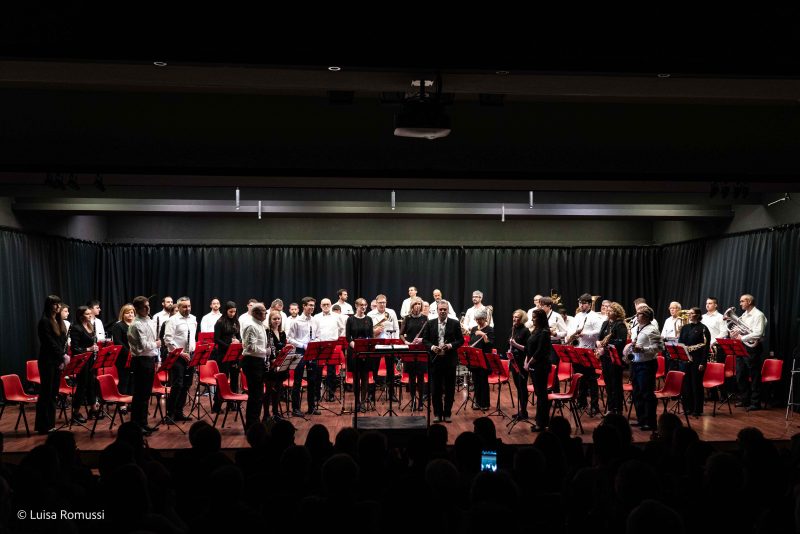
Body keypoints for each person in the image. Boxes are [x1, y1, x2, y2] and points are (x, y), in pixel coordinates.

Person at [421, 300, 464, 423]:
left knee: (450, 389)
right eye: (441, 309)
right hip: (435, 361)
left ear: (448, 310)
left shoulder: (455, 323)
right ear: (437, 310)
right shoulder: (430, 323)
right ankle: (437, 414)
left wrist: (450, 345)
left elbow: (460, 341)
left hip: (449, 360)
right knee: (436, 390)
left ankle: (447, 414)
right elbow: (425, 340)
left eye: (445, 309)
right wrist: (432, 347)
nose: (443, 311)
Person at [35, 295, 69, 434]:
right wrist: (62, 355)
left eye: (58, 304)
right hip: (47, 361)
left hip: (56, 361)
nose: (57, 306)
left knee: (53, 393)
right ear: (49, 305)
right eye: (54, 304)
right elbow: (49, 342)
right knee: (46, 393)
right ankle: (43, 426)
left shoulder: (58, 321)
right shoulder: (44, 321)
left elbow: (62, 342)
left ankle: (51, 424)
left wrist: (62, 357)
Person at [127, 296, 160, 435]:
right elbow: (143, 346)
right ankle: (136, 425)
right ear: (137, 309)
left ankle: (144, 423)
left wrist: (157, 358)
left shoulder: (149, 321)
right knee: (139, 395)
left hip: (149, 360)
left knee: (146, 395)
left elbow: (151, 344)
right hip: (140, 361)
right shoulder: (136, 324)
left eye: (148, 306)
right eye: (144, 307)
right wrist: (156, 344)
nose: (147, 309)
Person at [567, 293, 604, 415]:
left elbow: (599, 332)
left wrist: (585, 333)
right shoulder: (577, 315)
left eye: (583, 303)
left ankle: (594, 405)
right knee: (580, 377)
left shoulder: (595, 316)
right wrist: (573, 334)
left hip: (589, 349)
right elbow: (572, 328)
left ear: (589, 304)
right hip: (577, 348)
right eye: (580, 303)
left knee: (592, 379)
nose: (581, 305)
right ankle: (581, 402)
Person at [628, 306, 662, 431]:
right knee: (637, 393)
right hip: (636, 363)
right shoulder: (635, 328)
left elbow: (659, 347)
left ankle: (651, 422)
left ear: (647, 316)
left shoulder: (652, 330)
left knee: (647, 393)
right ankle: (641, 419)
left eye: (639, 314)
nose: (636, 316)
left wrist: (643, 349)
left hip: (647, 364)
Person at [732, 294, 767, 411]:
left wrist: (741, 337)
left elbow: (758, 333)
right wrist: (735, 333)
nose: (740, 303)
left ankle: (755, 402)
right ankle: (745, 399)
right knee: (741, 375)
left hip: (753, 348)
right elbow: (741, 329)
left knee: (754, 375)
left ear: (749, 301)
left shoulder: (759, 315)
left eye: (742, 301)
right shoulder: (744, 315)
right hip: (742, 346)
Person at [164, 296, 197, 422]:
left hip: (191, 355)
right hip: (177, 356)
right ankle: (169, 414)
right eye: (184, 306)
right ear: (178, 307)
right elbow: (168, 340)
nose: (187, 308)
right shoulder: (172, 320)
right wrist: (181, 353)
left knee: (187, 385)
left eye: (189, 306)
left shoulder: (193, 319)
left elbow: (192, 338)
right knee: (177, 384)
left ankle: (179, 412)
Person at [241, 304, 271, 429]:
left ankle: (256, 423)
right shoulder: (252, 326)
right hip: (252, 362)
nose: (266, 314)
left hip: (257, 362)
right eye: (265, 312)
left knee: (258, 396)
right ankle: (251, 425)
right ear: (257, 313)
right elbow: (250, 347)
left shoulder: (260, 325)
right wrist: (266, 351)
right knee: (255, 396)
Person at [677, 307, 711, 416]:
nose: (689, 315)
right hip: (685, 359)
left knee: (696, 385)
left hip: (697, 359)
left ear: (697, 315)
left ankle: (697, 409)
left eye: (691, 313)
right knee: (686, 384)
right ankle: (687, 408)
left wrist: (703, 363)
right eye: (689, 313)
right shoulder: (685, 327)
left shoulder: (703, 328)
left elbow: (706, 348)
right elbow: (680, 342)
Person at [287, 297, 318, 416]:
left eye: (313, 305)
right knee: (298, 380)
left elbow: (318, 335)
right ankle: (296, 409)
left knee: (312, 380)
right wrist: (302, 345)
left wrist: (315, 343)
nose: (312, 307)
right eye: (309, 305)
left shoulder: (315, 320)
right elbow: (290, 338)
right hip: (300, 350)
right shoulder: (296, 321)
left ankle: (312, 407)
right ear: (304, 306)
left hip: (312, 351)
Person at [69, 305, 100, 423]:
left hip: (91, 359)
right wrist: (89, 349)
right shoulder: (76, 328)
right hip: (81, 360)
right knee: (82, 386)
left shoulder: (90, 326)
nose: (90, 315)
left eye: (90, 313)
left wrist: (94, 349)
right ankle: (75, 413)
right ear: (81, 316)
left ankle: (93, 410)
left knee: (92, 384)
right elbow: (75, 348)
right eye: (87, 314)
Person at [597, 302, 628, 415]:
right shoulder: (605, 323)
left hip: (615, 358)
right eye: (608, 310)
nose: (608, 311)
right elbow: (599, 337)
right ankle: (610, 408)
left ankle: (618, 409)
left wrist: (605, 345)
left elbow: (621, 341)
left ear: (617, 312)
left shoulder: (620, 325)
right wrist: (598, 342)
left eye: (611, 310)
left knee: (616, 384)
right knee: (608, 384)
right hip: (604, 357)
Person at [368, 294, 401, 401]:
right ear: (376, 303)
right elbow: (368, 332)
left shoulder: (391, 312)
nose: (382, 304)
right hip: (376, 345)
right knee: (373, 370)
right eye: (380, 302)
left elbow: (396, 328)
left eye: (384, 302)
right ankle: (371, 394)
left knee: (391, 370)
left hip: (389, 345)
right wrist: (374, 332)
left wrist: (395, 343)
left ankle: (391, 394)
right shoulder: (370, 314)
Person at [526, 308, 553, 431]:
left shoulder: (544, 332)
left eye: (535, 317)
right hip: (535, 366)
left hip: (541, 366)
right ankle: (540, 421)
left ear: (541, 318)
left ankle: (542, 423)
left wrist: (529, 362)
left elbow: (540, 351)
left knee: (541, 395)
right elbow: (530, 348)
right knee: (539, 394)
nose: (532, 319)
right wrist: (527, 361)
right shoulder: (536, 331)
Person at [212, 301, 241, 413]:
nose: (232, 314)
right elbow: (216, 339)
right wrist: (229, 346)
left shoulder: (236, 322)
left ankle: (232, 403)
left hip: (234, 354)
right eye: (230, 311)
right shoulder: (220, 322)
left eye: (234, 311)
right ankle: (217, 406)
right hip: (223, 354)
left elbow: (238, 336)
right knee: (223, 379)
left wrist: (238, 341)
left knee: (234, 379)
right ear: (226, 310)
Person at [346, 298, 374, 411]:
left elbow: (371, 336)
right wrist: (356, 347)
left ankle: (362, 402)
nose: (363, 307)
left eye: (365, 305)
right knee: (356, 379)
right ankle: (357, 402)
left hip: (366, 352)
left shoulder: (369, 319)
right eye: (361, 305)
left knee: (365, 378)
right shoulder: (350, 320)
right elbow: (348, 337)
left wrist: (365, 347)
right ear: (356, 306)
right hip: (354, 351)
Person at [400, 297, 427, 411]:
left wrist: (421, 340)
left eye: (419, 304)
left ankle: (420, 401)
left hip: (421, 349)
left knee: (420, 377)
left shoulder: (425, 318)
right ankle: (413, 401)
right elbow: (401, 334)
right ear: (411, 306)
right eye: (415, 304)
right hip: (410, 349)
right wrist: (406, 342)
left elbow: (428, 334)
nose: (417, 306)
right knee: (411, 377)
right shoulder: (407, 318)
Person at [313, 298, 341, 402]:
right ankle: (317, 395)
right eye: (324, 304)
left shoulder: (336, 316)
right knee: (318, 371)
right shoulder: (316, 317)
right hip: (319, 346)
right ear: (320, 306)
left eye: (328, 304)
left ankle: (331, 394)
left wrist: (336, 337)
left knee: (331, 372)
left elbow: (341, 328)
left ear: (331, 305)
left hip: (332, 345)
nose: (326, 306)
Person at [468, 309, 494, 411]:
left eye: (480, 319)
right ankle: (477, 402)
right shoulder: (474, 328)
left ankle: (485, 403)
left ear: (485, 319)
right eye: (477, 319)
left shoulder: (489, 329)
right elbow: (471, 341)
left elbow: (490, 345)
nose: (478, 321)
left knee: (483, 382)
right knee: (476, 381)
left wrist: (483, 335)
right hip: (475, 359)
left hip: (484, 359)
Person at [508, 310, 531, 420]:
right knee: (518, 386)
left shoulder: (526, 331)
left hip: (522, 361)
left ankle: (524, 411)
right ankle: (521, 411)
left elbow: (528, 349)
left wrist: (515, 344)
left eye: (517, 317)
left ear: (522, 319)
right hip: (514, 361)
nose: (514, 318)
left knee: (522, 387)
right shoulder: (513, 329)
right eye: (513, 316)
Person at [265, 310, 288, 420]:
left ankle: (275, 412)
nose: (277, 321)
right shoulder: (267, 332)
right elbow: (267, 348)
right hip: (271, 364)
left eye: (278, 319)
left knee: (278, 389)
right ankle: (266, 414)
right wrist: (272, 359)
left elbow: (283, 347)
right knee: (269, 390)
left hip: (280, 363)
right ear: (270, 320)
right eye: (274, 319)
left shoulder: (282, 333)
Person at [110, 303, 135, 406]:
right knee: (124, 379)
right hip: (123, 357)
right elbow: (118, 341)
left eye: (132, 312)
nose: (130, 314)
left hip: (135, 356)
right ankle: (122, 404)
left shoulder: (135, 324)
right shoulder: (118, 325)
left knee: (133, 380)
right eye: (127, 313)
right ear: (123, 314)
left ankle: (131, 401)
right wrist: (129, 352)